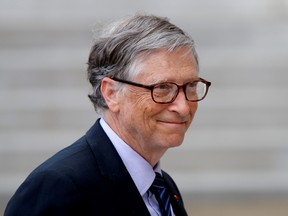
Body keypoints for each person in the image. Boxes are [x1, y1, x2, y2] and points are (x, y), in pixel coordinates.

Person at [4, 14, 211, 216]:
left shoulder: (162, 187)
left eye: (191, 85)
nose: (183, 107)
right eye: (162, 87)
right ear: (111, 94)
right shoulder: (59, 187)